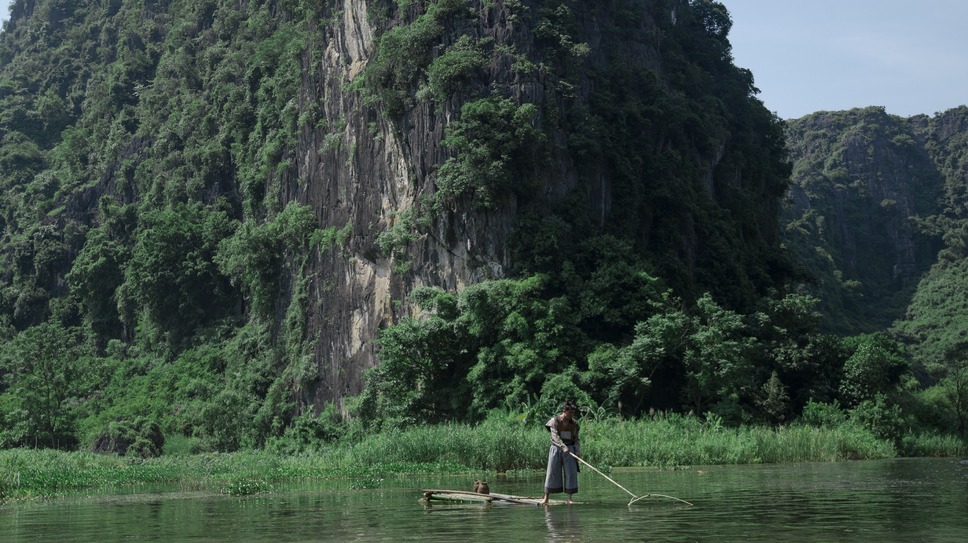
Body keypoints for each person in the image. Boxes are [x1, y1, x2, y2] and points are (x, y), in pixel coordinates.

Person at [539, 401, 580, 505]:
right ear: (564, 411)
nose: (571, 415)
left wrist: (577, 451)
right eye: (570, 412)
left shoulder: (574, 424)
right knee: (552, 472)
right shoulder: (554, 421)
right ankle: (546, 498)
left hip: (570, 449)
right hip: (556, 448)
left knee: (571, 473)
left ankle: (569, 499)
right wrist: (562, 446)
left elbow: (576, 439)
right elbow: (554, 436)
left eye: (573, 413)